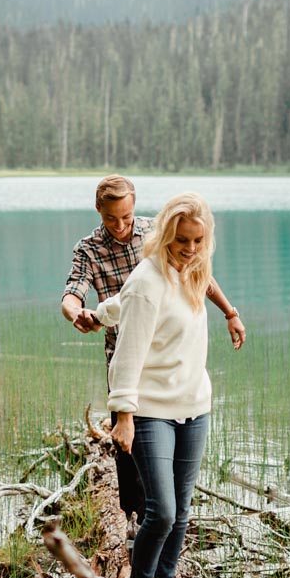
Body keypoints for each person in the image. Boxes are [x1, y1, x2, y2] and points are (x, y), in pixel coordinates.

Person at [61, 175, 245, 545]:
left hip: (167, 353)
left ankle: (164, 519)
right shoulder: (89, 249)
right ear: (99, 210)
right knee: (127, 447)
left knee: (170, 454)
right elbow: (73, 292)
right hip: (124, 355)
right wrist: (77, 314)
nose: (121, 225)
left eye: (126, 216)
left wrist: (229, 312)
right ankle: (134, 519)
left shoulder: (156, 231)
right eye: (112, 218)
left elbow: (199, 274)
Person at [95, 192, 216, 578]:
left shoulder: (194, 272)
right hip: (151, 411)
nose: (189, 248)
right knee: (161, 511)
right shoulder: (148, 280)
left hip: (194, 407)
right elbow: (127, 352)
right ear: (166, 234)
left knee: (182, 511)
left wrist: (101, 312)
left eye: (197, 241)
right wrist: (122, 414)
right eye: (182, 240)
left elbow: (122, 305)